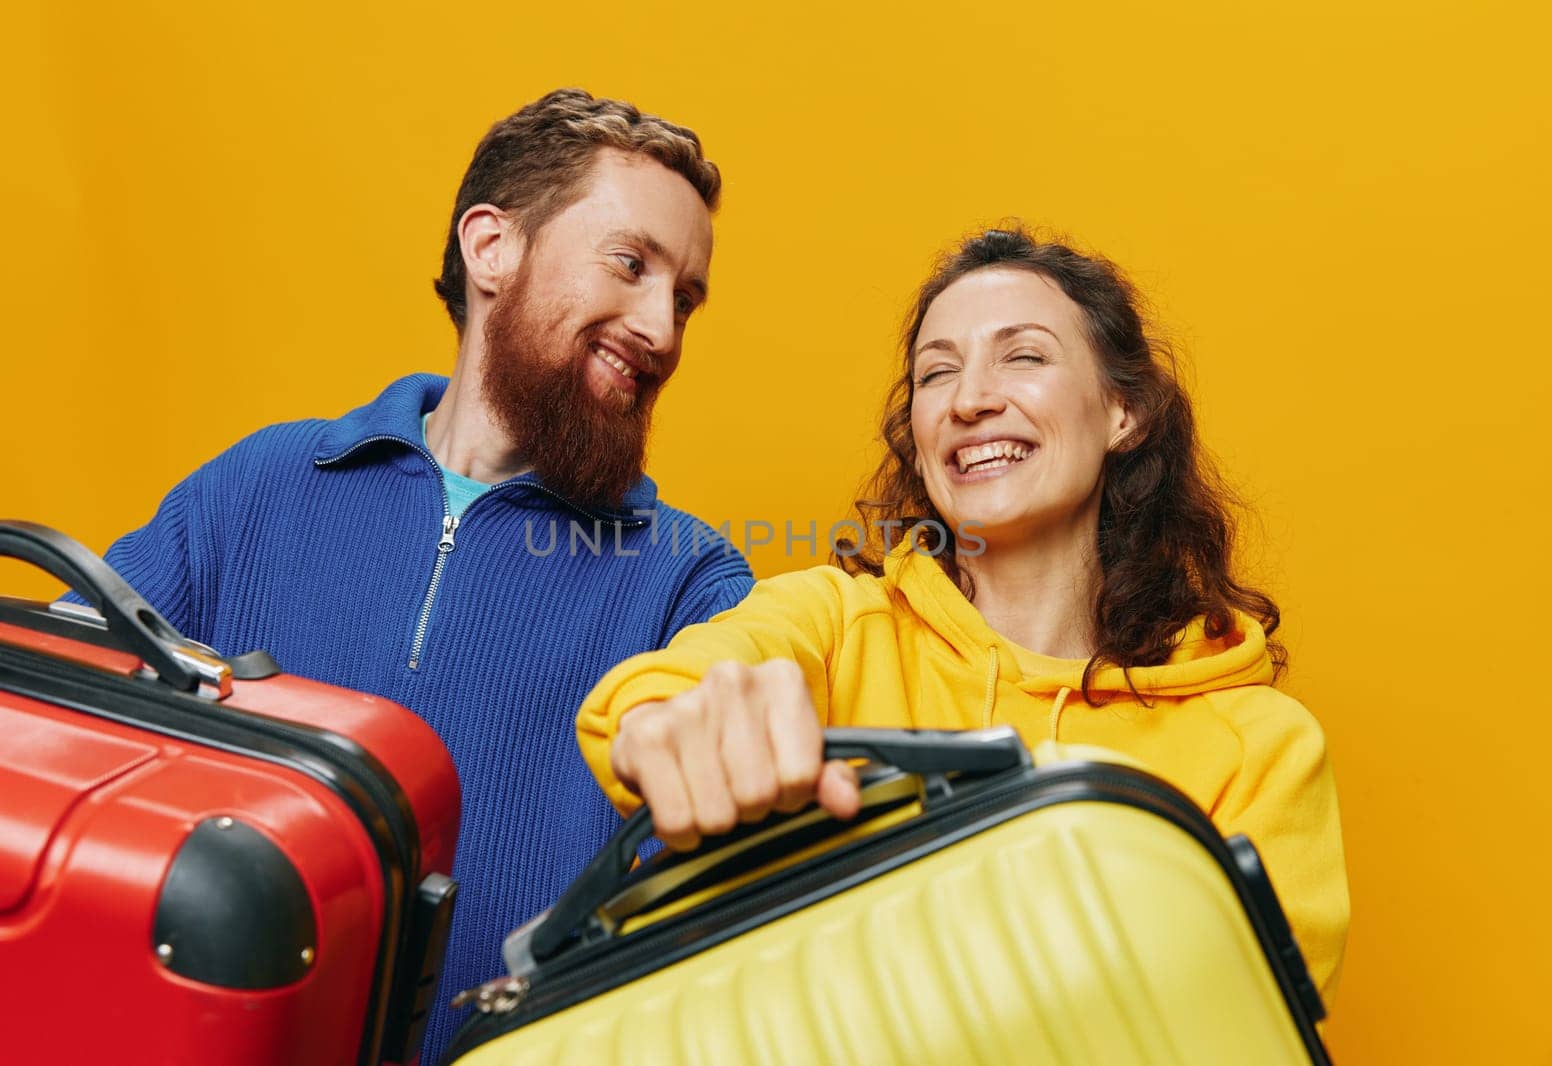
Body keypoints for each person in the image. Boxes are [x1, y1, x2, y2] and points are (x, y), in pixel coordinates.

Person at [72, 89, 753, 1062]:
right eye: (631, 264)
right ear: (491, 248)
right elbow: (58, 717)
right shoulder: (259, 486)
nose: (661, 328)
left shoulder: (690, 583)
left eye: (684, 298)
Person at [576, 225, 1351, 1005]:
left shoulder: (1259, 748)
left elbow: (1235, 1024)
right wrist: (674, 726)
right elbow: (674, 689)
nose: (971, 400)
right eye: (936, 374)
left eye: (1024, 356)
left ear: (1125, 412)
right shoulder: (835, 625)